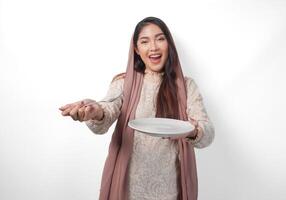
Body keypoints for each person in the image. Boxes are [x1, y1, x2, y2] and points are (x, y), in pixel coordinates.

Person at [59, 16, 215, 200]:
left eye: (160, 38)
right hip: (129, 189)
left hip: (171, 191)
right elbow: (108, 109)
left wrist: (192, 130)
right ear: (136, 49)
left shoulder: (187, 86)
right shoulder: (124, 83)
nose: (154, 47)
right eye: (145, 41)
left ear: (169, 44)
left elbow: (208, 134)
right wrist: (95, 111)